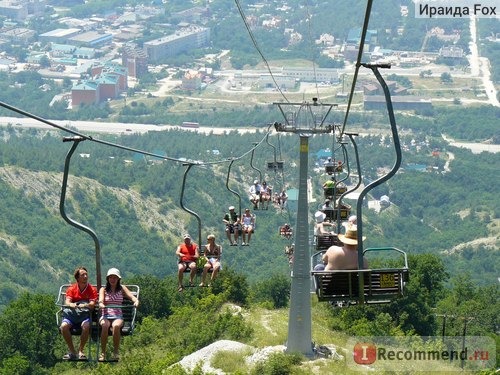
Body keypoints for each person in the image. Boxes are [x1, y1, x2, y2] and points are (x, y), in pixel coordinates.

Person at [98, 268, 139, 362]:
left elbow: (132, 297)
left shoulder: (122, 289)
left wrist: (136, 301)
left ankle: (116, 352)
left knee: (116, 326)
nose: (112, 279)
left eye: (115, 278)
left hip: (118, 316)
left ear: (118, 279)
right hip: (106, 314)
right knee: (105, 326)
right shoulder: (103, 289)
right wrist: (101, 304)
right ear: (108, 279)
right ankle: (103, 353)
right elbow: (100, 300)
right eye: (111, 277)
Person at [60, 266, 98, 360]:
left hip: (84, 315)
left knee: (86, 327)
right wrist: (72, 304)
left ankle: (81, 350)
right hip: (72, 315)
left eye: (86, 274)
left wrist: (84, 305)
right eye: (82, 275)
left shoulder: (91, 289)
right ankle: (72, 351)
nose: (85, 276)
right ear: (77, 278)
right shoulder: (72, 289)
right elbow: (67, 302)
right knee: (64, 327)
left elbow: (92, 303)